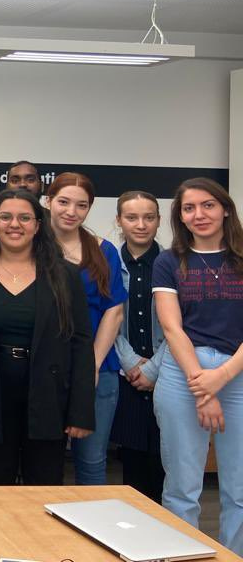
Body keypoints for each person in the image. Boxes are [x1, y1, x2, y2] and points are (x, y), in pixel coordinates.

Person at [0, 188, 94, 484]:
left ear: (38, 225)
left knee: (43, 488)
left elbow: (81, 344)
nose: (14, 224)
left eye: (24, 218)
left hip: (47, 394)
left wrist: (80, 411)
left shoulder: (65, 275)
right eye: (5, 217)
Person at [153, 178, 243, 554]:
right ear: (180, 217)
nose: (199, 214)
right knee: (182, 487)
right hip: (182, 373)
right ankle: (181, 556)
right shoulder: (169, 261)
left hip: (237, 373)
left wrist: (221, 377)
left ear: (225, 209)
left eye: (207, 205)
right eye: (189, 208)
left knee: (239, 489)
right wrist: (202, 389)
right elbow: (172, 329)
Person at [46, 172, 126, 485]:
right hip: (46, 371)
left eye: (81, 205)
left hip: (99, 370)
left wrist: (89, 366)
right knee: (43, 462)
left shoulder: (104, 250)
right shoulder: (32, 247)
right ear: (48, 201)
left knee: (92, 463)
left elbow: (114, 311)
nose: (71, 211)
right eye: (63, 202)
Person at [111, 190, 167, 503]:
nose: (141, 224)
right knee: (131, 463)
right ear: (119, 220)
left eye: (149, 217)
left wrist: (154, 369)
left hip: (166, 374)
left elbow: (179, 325)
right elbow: (108, 321)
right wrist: (132, 363)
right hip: (126, 376)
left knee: (163, 461)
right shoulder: (108, 263)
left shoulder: (173, 263)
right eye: (132, 217)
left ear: (159, 221)